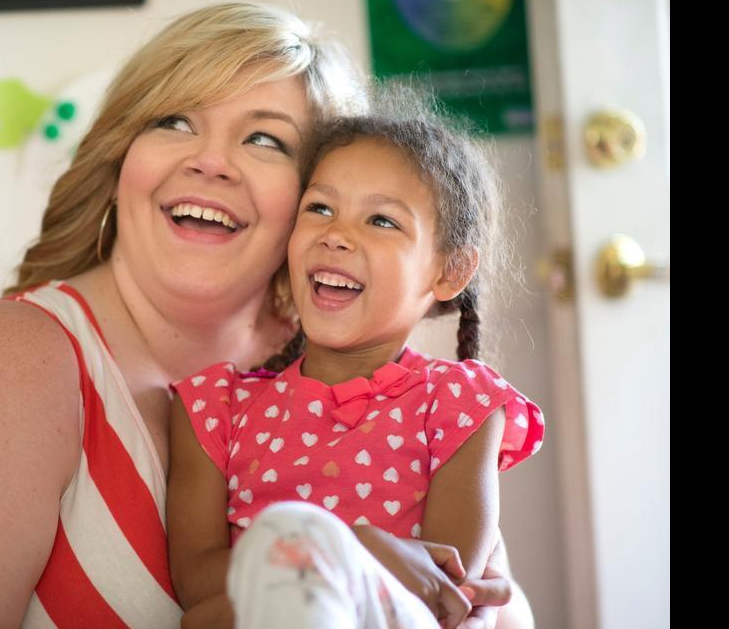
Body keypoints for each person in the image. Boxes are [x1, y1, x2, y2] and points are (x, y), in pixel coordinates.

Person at [0, 3, 532, 629]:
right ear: (120, 160)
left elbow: (476, 593)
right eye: (173, 121)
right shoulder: (0, 364)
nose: (209, 161)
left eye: (265, 140)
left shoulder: (354, 374)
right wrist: (335, 558)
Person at [166, 100, 545, 629]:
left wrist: (342, 560)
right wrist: (353, 551)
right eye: (319, 208)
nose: (336, 234)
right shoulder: (216, 409)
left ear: (450, 270)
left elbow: (448, 584)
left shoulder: (461, 404)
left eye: (381, 220)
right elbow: (197, 586)